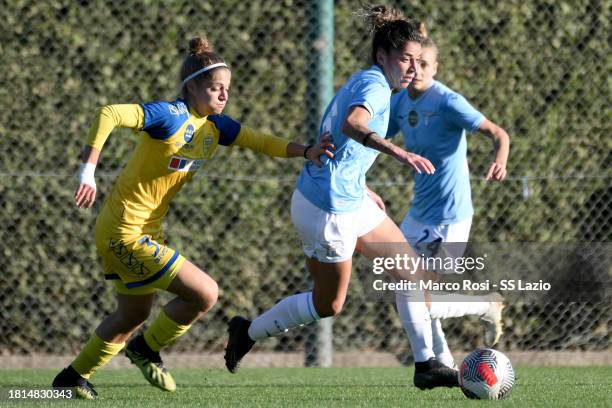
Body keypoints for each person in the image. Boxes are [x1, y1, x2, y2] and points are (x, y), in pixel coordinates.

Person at [51, 36, 333, 399]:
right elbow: (110, 113)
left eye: (227, 89)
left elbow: (260, 141)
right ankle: (145, 349)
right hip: (125, 232)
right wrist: (87, 171)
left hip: (141, 231)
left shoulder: (216, 127)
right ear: (191, 88)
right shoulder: (169, 115)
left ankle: (70, 378)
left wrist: (306, 151)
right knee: (204, 292)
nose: (223, 95)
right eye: (215, 88)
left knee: (131, 316)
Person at [224, 5, 464, 390]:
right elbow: (353, 124)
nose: (412, 69)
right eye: (405, 59)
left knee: (410, 271)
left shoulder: (375, 82)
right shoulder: (373, 85)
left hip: (350, 198)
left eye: (418, 61)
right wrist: (398, 152)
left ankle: (427, 365)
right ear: (382, 56)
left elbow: (342, 143)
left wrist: (362, 183)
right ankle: (247, 331)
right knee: (328, 304)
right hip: (326, 209)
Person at [387, 25, 511, 369]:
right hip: (418, 213)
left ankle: (485, 306)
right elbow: (377, 139)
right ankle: (442, 364)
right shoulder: (399, 101)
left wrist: (499, 160)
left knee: (419, 295)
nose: (416, 70)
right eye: (412, 63)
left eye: (425, 64)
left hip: (452, 217)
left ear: (435, 68)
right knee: (405, 289)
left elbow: (498, 133)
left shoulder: (447, 101)